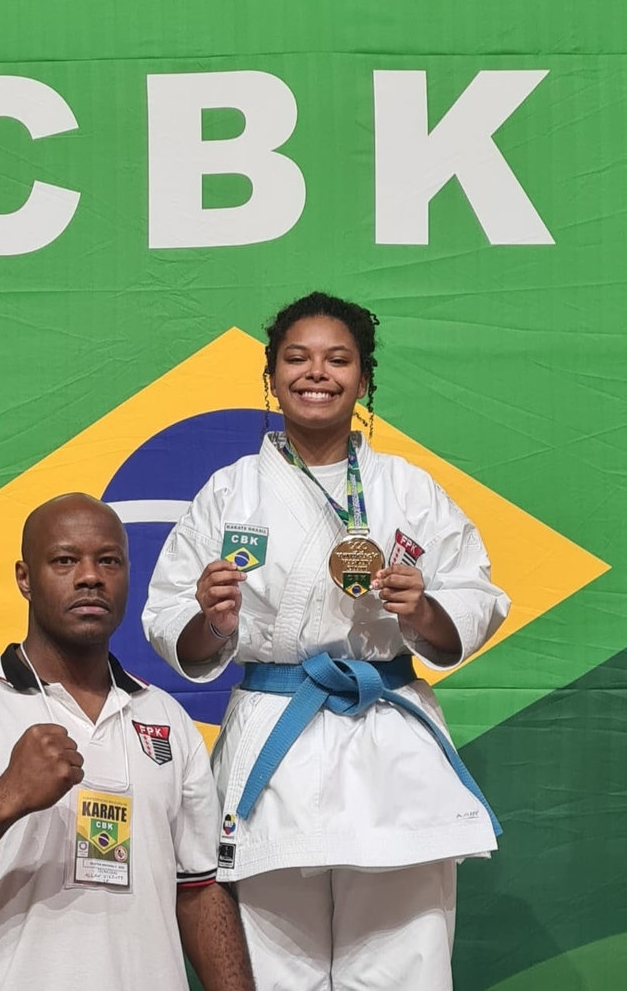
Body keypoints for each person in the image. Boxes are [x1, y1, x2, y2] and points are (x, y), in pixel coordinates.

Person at [142, 292, 511, 991]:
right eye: (298, 358)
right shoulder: (230, 494)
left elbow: (474, 601)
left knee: (407, 966)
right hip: (276, 744)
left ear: (363, 379)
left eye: (338, 359)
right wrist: (213, 620)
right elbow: (171, 628)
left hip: (388, 741)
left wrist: (420, 607)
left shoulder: (411, 489)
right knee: (278, 971)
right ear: (271, 375)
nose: (318, 373)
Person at [0, 493, 254, 991]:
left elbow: (199, 892)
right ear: (25, 578)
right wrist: (5, 796)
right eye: (65, 560)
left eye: (108, 561)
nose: (90, 576)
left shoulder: (166, 720)